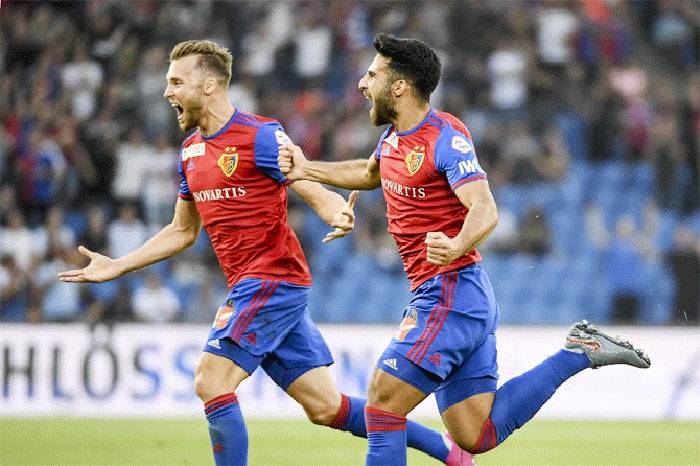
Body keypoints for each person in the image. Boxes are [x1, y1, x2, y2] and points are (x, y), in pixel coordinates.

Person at [58, 40, 475, 466]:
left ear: (208, 87)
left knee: (210, 380)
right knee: (326, 408)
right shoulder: (190, 153)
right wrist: (119, 265)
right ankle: (445, 449)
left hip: (270, 281)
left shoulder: (259, 134)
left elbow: (304, 180)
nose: (167, 92)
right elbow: (182, 231)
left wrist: (334, 209)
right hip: (266, 289)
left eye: (176, 82)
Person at [278, 33, 652, 466]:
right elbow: (367, 174)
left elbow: (485, 208)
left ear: (399, 86)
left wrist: (456, 245)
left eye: (372, 74)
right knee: (477, 433)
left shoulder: (444, 136)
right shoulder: (393, 139)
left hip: (451, 292)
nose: (362, 84)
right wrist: (307, 168)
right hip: (454, 297)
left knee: (382, 404)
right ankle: (578, 352)